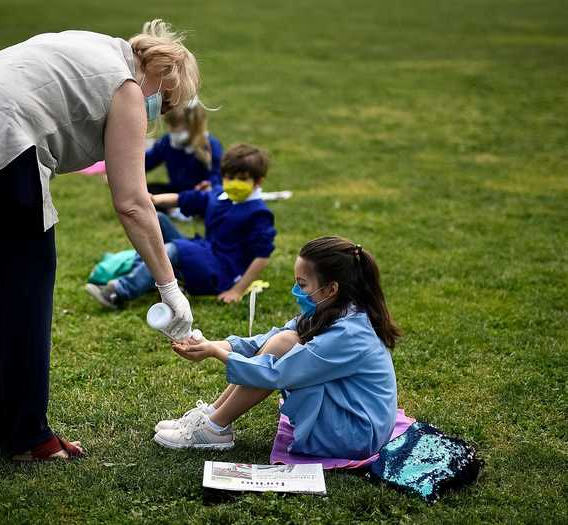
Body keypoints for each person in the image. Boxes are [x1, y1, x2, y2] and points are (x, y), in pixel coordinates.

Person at [0, 20, 199, 461]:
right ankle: (29, 437)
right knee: (25, 293)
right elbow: (133, 202)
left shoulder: (86, 43)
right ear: (160, 75)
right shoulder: (129, 86)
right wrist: (170, 288)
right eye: (167, 102)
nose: (162, 112)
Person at [155, 236, 402, 458]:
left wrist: (215, 353)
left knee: (284, 344)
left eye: (303, 284)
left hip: (355, 435)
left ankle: (215, 426)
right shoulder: (335, 309)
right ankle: (212, 419)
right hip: (351, 417)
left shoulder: (350, 334)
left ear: (330, 289)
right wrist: (213, 345)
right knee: (284, 339)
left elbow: (276, 373)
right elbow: (267, 340)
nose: (296, 291)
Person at [85, 144, 276, 307]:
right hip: (205, 252)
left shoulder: (259, 213)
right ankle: (145, 274)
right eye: (229, 177)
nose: (234, 183)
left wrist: (237, 290)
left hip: (221, 272)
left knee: (171, 250)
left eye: (242, 179)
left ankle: (119, 292)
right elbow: (183, 199)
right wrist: (151, 199)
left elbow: (262, 256)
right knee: (157, 219)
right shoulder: (218, 195)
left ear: (258, 181)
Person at [145, 99, 223, 196]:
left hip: (199, 195)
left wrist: (210, 184)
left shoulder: (210, 145)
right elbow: (148, 161)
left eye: (175, 126)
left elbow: (217, 175)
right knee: (146, 192)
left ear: (192, 124)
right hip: (176, 192)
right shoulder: (167, 142)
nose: (171, 130)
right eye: (170, 126)